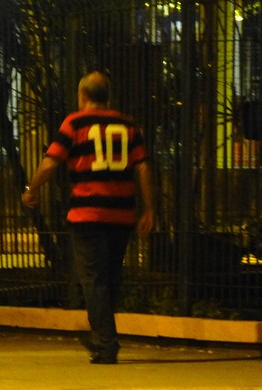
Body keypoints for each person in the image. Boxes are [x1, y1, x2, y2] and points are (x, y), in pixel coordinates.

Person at [22, 71, 154, 364]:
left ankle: (106, 343)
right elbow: (143, 167)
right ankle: (101, 336)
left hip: (87, 213)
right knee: (110, 278)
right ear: (108, 96)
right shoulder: (128, 124)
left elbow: (51, 161)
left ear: (82, 96)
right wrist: (149, 209)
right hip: (121, 213)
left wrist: (32, 188)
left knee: (93, 280)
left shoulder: (74, 123)